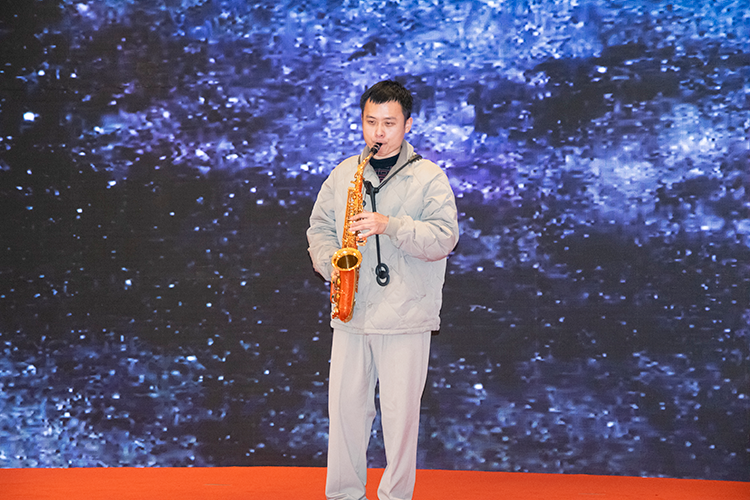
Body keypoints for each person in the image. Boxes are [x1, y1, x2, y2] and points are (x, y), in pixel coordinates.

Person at [307, 80, 459, 500]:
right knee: (345, 414)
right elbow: (319, 227)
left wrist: (389, 225)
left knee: (399, 418)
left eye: (389, 123)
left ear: (408, 124)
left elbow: (444, 238)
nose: (378, 132)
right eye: (370, 122)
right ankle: (344, 494)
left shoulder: (429, 177)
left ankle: (395, 496)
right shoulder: (344, 174)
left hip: (406, 315)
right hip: (351, 311)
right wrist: (332, 265)